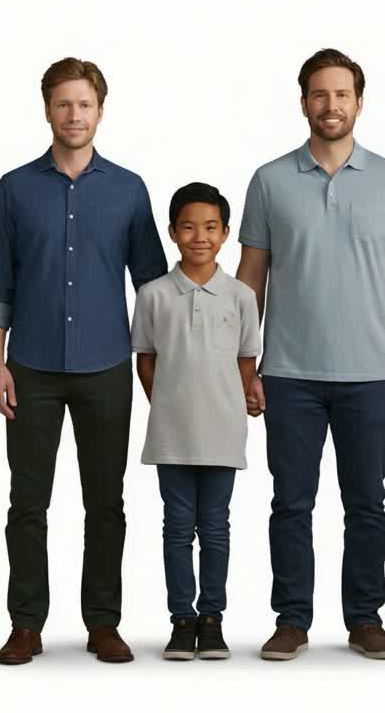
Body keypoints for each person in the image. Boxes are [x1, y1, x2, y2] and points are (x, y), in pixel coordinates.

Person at [236, 48, 385, 661]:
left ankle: (365, 619)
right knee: (291, 503)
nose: (331, 104)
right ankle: (291, 619)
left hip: (368, 374)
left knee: (366, 504)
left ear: (359, 103)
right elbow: (251, 279)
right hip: (288, 372)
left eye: (342, 94)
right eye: (320, 94)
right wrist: (244, 363)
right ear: (303, 103)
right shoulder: (269, 180)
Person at [0, 57, 168, 665]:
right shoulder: (14, 188)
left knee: (106, 502)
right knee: (26, 503)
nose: (74, 114)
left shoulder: (129, 189)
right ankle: (25, 624)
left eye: (84, 104)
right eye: (63, 103)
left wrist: (157, 368)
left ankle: (103, 623)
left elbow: (152, 287)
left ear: (100, 111)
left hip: (106, 367)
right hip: (30, 367)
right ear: (47, 110)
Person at [131, 183, 259, 661]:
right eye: (188, 227)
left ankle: (212, 619)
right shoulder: (153, 295)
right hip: (172, 434)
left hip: (223, 431)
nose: (199, 237)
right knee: (177, 527)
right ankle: (181, 619)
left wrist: (228, 404)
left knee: (216, 526)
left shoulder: (241, 296)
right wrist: (167, 404)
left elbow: (246, 361)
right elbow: (146, 361)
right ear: (172, 232)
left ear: (225, 233)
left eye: (210, 227)